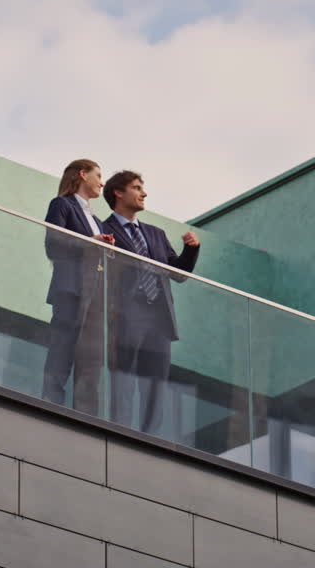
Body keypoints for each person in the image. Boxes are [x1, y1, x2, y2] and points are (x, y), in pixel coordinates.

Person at [100, 170, 199, 435]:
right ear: (118, 193)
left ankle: (150, 437)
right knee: (124, 378)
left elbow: (178, 274)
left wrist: (191, 250)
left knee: (156, 381)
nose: (144, 193)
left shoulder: (155, 234)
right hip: (126, 312)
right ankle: (119, 431)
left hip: (159, 317)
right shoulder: (101, 228)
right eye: (136, 187)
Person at [41, 159, 116, 414]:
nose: (102, 183)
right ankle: (51, 406)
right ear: (83, 175)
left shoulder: (97, 219)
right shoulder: (62, 204)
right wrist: (90, 241)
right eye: (98, 175)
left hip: (95, 296)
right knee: (62, 350)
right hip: (70, 291)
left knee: (91, 360)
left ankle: (86, 417)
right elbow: (53, 243)